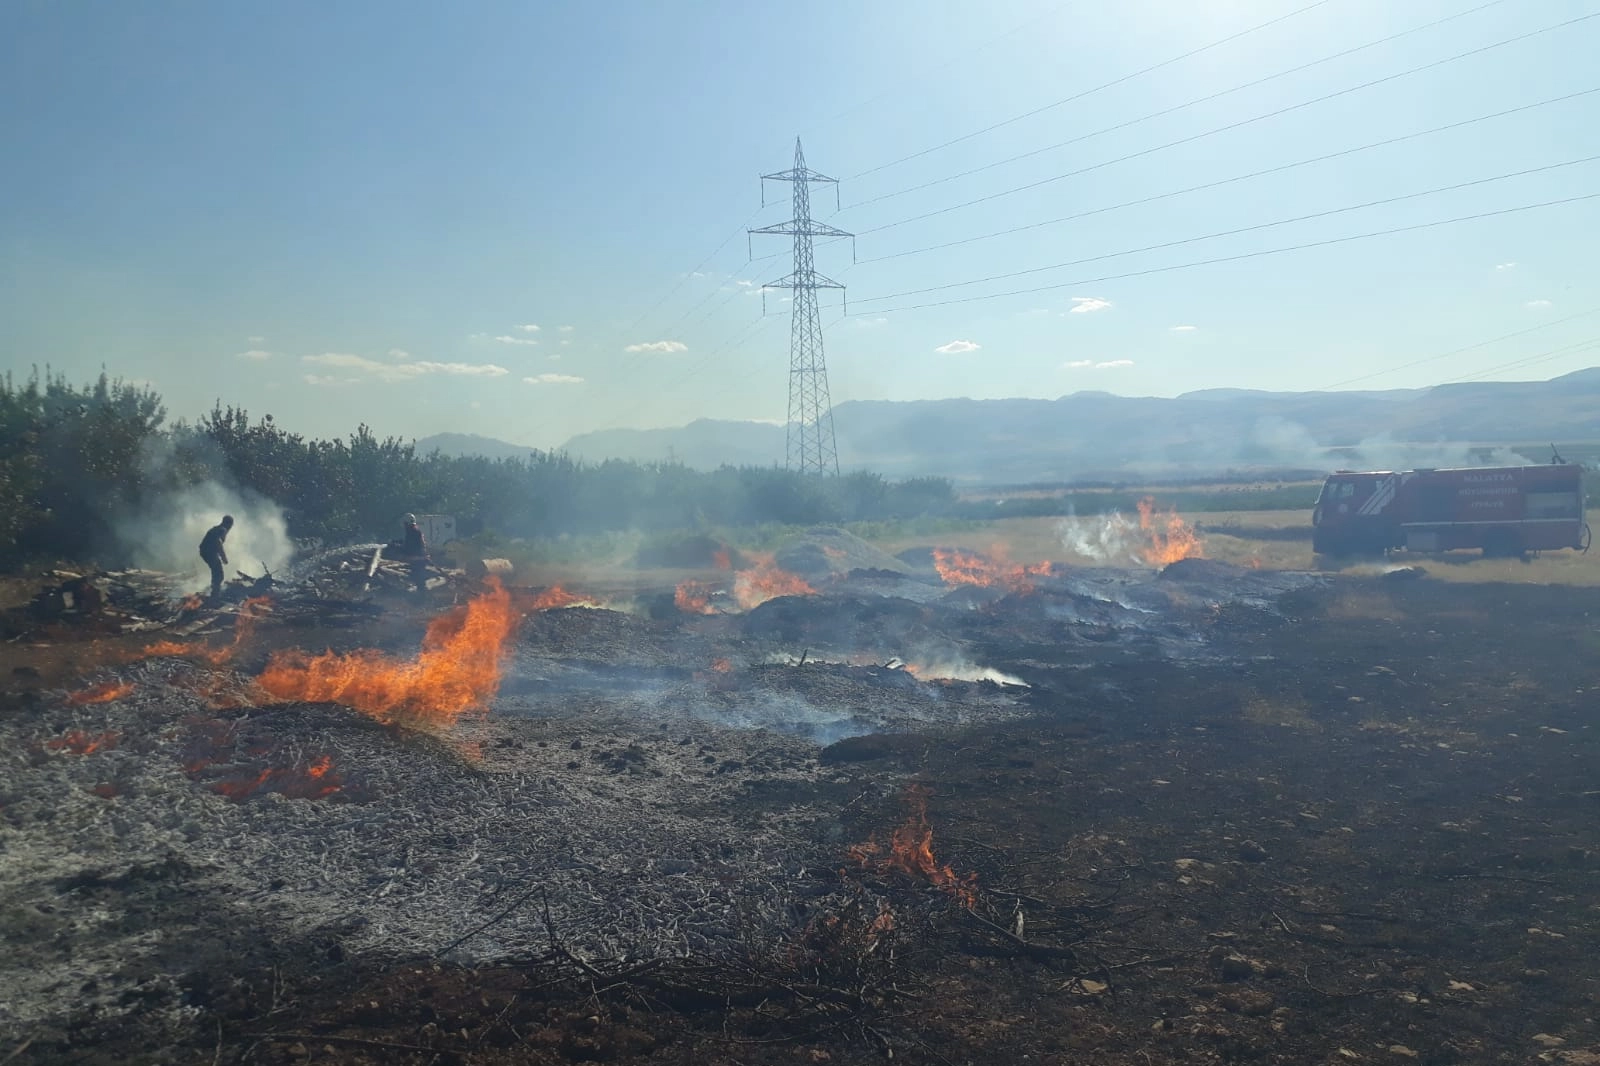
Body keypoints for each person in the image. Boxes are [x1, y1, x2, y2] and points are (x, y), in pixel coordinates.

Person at [199, 515, 233, 599]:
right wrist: (223, 557)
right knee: (218, 574)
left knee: (216, 572)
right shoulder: (222, 529)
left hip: (205, 551)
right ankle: (214, 596)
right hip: (209, 552)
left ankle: (214, 592)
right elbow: (218, 542)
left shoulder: (216, 529)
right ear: (229, 524)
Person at [401, 513, 429, 591]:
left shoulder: (411, 532)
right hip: (419, 559)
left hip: (416, 560)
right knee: (419, 581)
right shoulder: (416, 531)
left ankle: (420, 599)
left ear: (406, 523)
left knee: (418, 581)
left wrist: (403, 551)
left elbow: (409, 547)